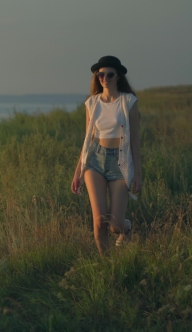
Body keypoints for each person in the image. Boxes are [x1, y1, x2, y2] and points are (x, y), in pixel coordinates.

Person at [71, 55, 143, 256]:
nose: (104, 78)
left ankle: (126, 228)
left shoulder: (128, 101)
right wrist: (78, 172)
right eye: (100, 74)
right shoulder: (92, 103)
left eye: (109, 74)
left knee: (114, 224)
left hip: (120, 163)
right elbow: (87, 141)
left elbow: (135, 142)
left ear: (118, 76)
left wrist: (138, 174)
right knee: (99, 220)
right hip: (95, 161)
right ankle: (107, 265)